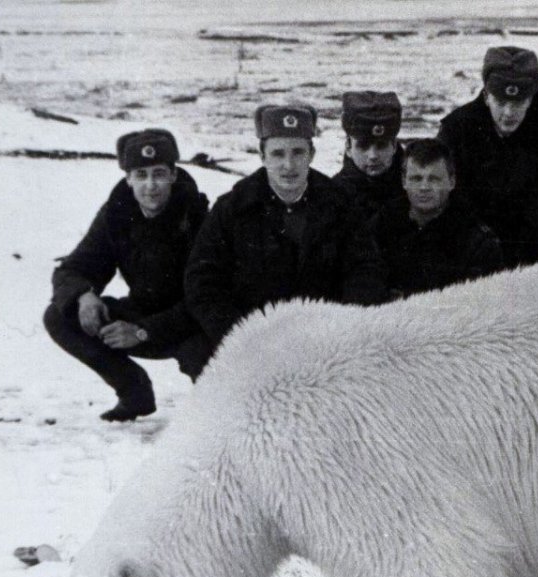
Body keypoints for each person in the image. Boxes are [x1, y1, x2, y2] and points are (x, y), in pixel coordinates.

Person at [185, 103, 385, 351]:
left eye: (298, 152)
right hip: (253, 343)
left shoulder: (340, 204)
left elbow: (365, 271)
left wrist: (341, 328)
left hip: (326, 340)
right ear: (262, 155)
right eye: (278, 154)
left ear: (311, 154)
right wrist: (241, 337)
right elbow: (202, 283)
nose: (289, 165)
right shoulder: (232, 208)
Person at [44, 129, 212, 421]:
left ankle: (220, 410)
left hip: (192, 325)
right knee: (60, 315)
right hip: (141, 315)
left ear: (173, 174)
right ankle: (134, 392)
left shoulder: (198, 217)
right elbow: (74, 268)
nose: (150, 185)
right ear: (128, 178)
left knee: (212, 366)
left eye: (159, 173)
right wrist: (83, 295)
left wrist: (142, 331)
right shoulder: (117, 214)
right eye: (141, 174)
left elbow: (206, 299)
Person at [437, 45, 538, 268]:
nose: (509, 113)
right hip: (469, 244)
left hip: (525, 243)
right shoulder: (456, 129)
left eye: (518, 103)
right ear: (486, 96)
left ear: (531, 100)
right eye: (501, 102)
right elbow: (449, 202)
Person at [356, 138, 501, 300]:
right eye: (416, 179)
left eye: (434, 179)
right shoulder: (381, 226)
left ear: (452, 182)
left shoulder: (477, 241)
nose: (424, 187)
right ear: (404, 181)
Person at [332, 90, 407, 221]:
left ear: (394, 146)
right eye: (363, 146)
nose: (373, 156)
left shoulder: (414, 189)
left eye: (381, 145)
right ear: (348, 147)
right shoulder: (332, 196)